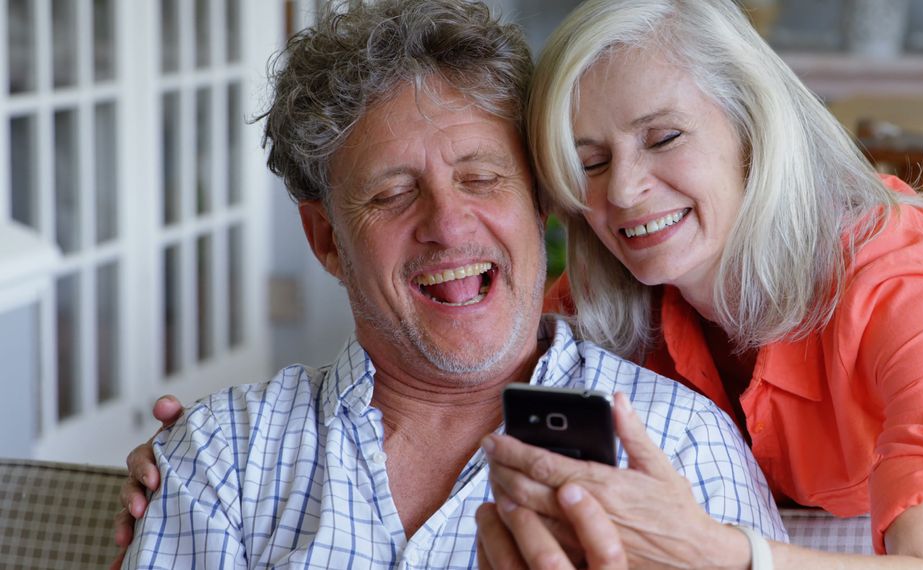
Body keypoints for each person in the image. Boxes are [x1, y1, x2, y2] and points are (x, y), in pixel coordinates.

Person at [116, 0, 786, 568]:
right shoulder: (224, 451)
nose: (447, 223)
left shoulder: (677, 444)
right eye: (393, 192)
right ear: (326, 240)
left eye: (480, 178)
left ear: (540, 202)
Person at [476, 0, 923, 568]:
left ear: (751, 130)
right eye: (591, 163)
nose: (625, 190)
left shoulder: (897, 279)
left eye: (664, 138)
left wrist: (715, 552)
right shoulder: (610, 296)